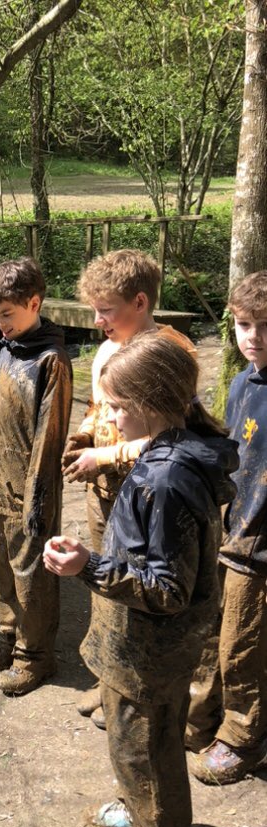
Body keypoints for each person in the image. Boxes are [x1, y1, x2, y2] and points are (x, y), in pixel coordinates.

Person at [45, 333, 237, 827]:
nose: (108, 418)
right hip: (145, 645)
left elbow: (167, 590)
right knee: (143, 744)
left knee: (144, 749)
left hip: (149, 650)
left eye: (117, 406)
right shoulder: (173, 451)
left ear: (152, 403)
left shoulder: (166, 479)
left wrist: (88, 565)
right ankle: (141, 808)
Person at [62, 249, 196, 726]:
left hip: (149, 497)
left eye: (106, 311)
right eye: (94, 310)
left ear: (140, 302)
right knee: (102, 580)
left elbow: (176, 436)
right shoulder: (107, 348)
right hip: (102, 494)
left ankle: (133, 690)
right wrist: (84, 437)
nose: (98, 321)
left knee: (139, 591)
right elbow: (99, 408)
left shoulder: (172, 353)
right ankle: (108, 680)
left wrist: (104, 456)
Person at [0, 259, 73, 694]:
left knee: (32, 574)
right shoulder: (7, 348)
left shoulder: (51, 360)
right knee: (3, 566)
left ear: (34, 304)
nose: (0, 325)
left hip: (30, 491)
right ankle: (8, 637)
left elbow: (49, 438)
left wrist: (36, 499)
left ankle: (35, 656)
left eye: (7, 315)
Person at [189, 271, 267, 784]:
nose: (253, 336)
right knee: (209, 631)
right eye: (243, 324)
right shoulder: (242, 381)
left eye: (266, 325)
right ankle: (202, 719)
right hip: (229, 529)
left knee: (243, 644)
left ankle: (243, 737)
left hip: (260, 547)